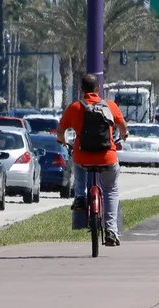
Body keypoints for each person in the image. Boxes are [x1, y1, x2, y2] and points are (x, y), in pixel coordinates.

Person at [56, 73, 128, 246]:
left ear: (81, 90)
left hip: (83, 155)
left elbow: (60, 131)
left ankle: (80, 196)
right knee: (110, 190)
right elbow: (123, 127)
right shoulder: (110, 106)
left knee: (78, 163)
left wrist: (63, 141)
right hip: (107, 157)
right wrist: (123, 136)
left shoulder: (74, 107)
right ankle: (111, 231)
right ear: (98, 89)